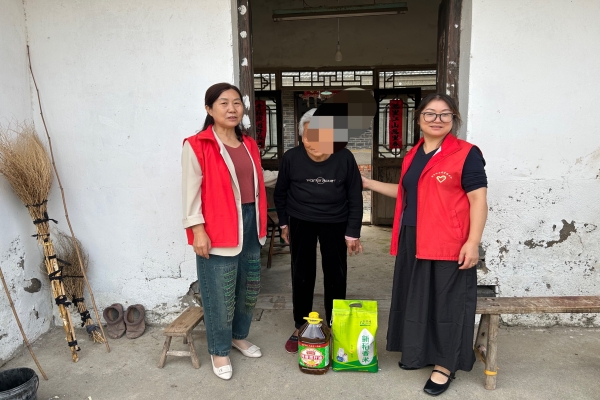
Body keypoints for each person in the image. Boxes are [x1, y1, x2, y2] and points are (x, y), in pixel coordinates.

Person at [362, 93, 488, 396]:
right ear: (418, 119)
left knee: (447, 303)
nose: (437, 119)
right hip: (412, 236)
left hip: (448, 240)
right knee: (416, 298)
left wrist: (473, 242)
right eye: (430, 114)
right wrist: (367, 183)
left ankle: (445, 365)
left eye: (445, 114)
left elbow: (478, 200)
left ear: (453, 119)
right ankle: (418, 353)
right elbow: (407, 194)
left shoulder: (466, 153)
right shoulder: (413, 155)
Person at [181, 82, 267, 380]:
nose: (232, 109)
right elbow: (190, 193)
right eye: (223, 103)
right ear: (209, 109)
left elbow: (255, 182)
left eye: (237, 103)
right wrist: (197, 231)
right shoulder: (197, 144)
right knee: (220, 293)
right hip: (217, 227)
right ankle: (219, 350)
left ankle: (238, 335)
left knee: (248, 288)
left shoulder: (249, 144)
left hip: (251, 223)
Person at [274, 108, 364, 354]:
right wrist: (284, 223)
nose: (312, 143)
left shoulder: (345, 158)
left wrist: (352, 233)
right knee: (301, 272)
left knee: (336, 273)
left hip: (336, 220)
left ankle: (336, 324)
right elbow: (280, 193)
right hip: (300, 219)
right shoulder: (291, 158)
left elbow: (355, 196)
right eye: (307, 136)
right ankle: (301, 324)